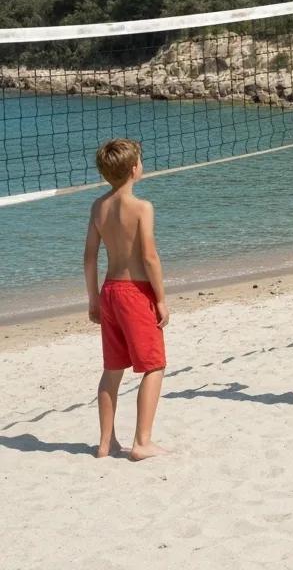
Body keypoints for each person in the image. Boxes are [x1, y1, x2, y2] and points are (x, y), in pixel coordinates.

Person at [83, 139, 169, 460]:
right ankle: (142, 441)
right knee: (154, 364)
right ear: (135, 169)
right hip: (136, 292)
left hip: (110, 292)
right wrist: (160, 298)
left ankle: (106, 442)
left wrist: (93, 299)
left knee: (113, 368)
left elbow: (89, 258)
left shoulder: (98, 207)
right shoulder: (142, 207)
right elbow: (149, 257)